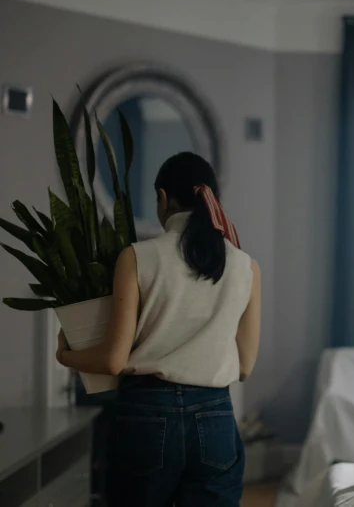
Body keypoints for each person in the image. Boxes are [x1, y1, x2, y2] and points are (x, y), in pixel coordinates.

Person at [56, 152, 261, 507]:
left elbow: (113, 360)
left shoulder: (136, 257)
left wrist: (65, 355)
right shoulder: (246, 266)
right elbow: (244, 367)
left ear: (163, 198)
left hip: (147, 415)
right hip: (215, 418)